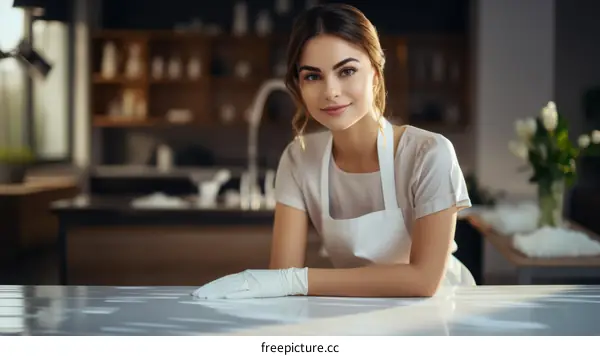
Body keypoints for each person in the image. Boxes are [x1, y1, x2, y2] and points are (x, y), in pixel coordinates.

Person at [191, 3, 475, 299]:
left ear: (376, 74)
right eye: (313, 76)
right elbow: (281, 276)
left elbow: (423, 281)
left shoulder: (428, 154)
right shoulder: (299, 159)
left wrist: (297, 282)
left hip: (442, 314)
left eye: (347, 71)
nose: (330, 91)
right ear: (298, 84)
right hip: (354, 313)